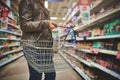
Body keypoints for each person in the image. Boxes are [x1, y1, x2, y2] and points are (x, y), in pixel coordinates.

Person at [19, 0, 57, 80]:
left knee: (51, 75)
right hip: (33, 46)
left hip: (44, 47)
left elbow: (43, 26)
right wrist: (45, 23)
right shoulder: (27, 2)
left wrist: (49, 27)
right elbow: (24, 25)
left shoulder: (44, 7)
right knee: (36, 76)